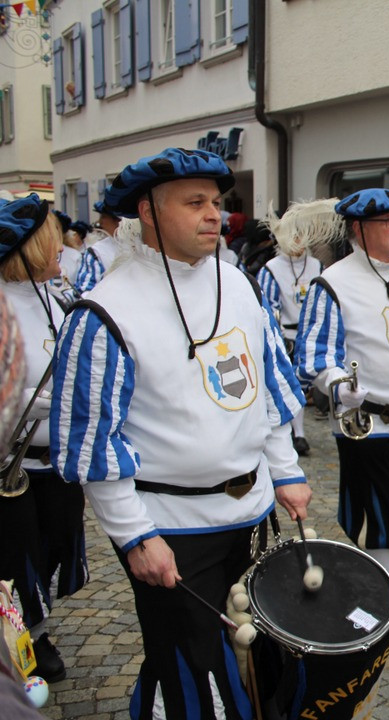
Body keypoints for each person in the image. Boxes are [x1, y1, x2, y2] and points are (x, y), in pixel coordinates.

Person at [51, 148, 311, 719]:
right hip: (170, 527)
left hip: (250, 514)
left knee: (249, 649)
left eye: (216, 202)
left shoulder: (238, 284)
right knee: (194, 665)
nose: (213, 214)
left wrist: (286, 470)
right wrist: (135, 536)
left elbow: (263, 391)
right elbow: (95, 441)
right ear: (147, 210)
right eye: (194, 203)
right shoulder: (104, 310)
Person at [295, 188, 389, 664]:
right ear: (358, 230)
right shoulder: (332, 283)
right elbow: (314, 356)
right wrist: (341, 385)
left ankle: (370, 585)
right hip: (365, 424)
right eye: (387, 221)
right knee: (380, 523)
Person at [0, 196, 86, 683]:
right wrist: (57, 400)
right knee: (17, 557)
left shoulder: (57, 295)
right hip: (13, 465)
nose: (65, 247)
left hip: (62, 459)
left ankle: (37, 619)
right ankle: (26, 635)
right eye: (52, 240)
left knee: (57, 544)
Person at [257, 225, 323, 456]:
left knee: (307, 383)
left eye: (302, 235)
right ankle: (298, 433)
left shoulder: (316, 265)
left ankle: (299, 432)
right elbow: (270, 307)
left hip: (311, 333)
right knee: (290, 383)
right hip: (287, 336)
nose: (298, 241)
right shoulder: (271, 270)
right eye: (293, 236)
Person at [74, 201, 123, 295]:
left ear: (117, 221)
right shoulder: (97, 251)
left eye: (103, 217)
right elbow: (86, 292)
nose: (100, 222)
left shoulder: (141, 247)